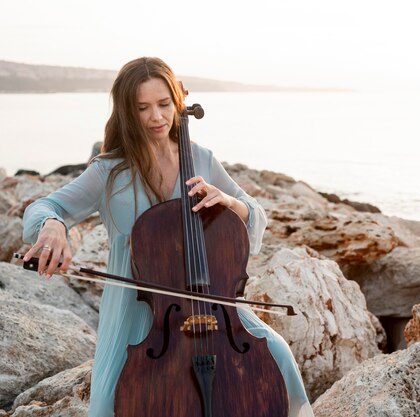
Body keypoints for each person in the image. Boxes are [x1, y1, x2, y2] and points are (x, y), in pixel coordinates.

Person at [22, 57, 314, 417]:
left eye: (163, 105)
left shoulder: (200, 158)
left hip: (209, 304)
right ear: (128, 112)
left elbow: (256, 212)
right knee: (106, 405)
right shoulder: (109, 171)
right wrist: (53, 225)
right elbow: (45, 206)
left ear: (178, 102)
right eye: (143, 108)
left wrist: (228, 202)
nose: (156, 117)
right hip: (138, 312)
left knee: (278, 355)